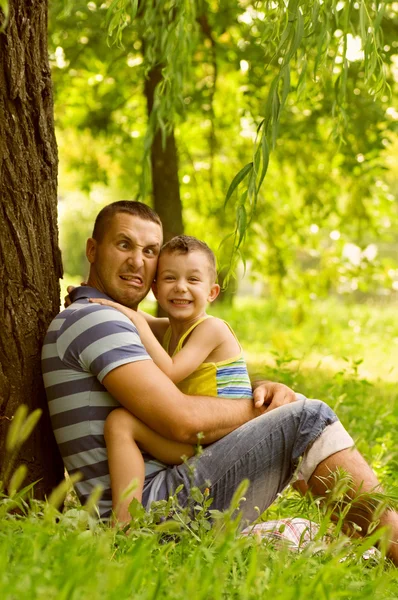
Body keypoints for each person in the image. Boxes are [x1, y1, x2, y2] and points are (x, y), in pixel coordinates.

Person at [42, 200, 398, 564]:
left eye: (149, 251)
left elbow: (194, 375)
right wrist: (274, 414)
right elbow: (182, 419)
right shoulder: (98, 320)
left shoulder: (113, 319)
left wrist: (260, 391)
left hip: (161, 498)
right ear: (92, 249)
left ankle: (380, 553)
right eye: (124, 244)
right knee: (308, 417)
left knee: (305, 536)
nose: (138, 261)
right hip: (155, 512)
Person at [89, 235, 255, 522]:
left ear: (212, 292)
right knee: (124, 421)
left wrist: (139, 322)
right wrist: (97, 301)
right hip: (200, 439)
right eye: (169, 278)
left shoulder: (211, 329)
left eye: (193, 280)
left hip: (221, 443)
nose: (181, 287)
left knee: (121, 423)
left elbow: (169, 370)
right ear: (154, 288)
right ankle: (133, 514)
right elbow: (134, 317)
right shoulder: (170, 329)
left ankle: (123, 526)